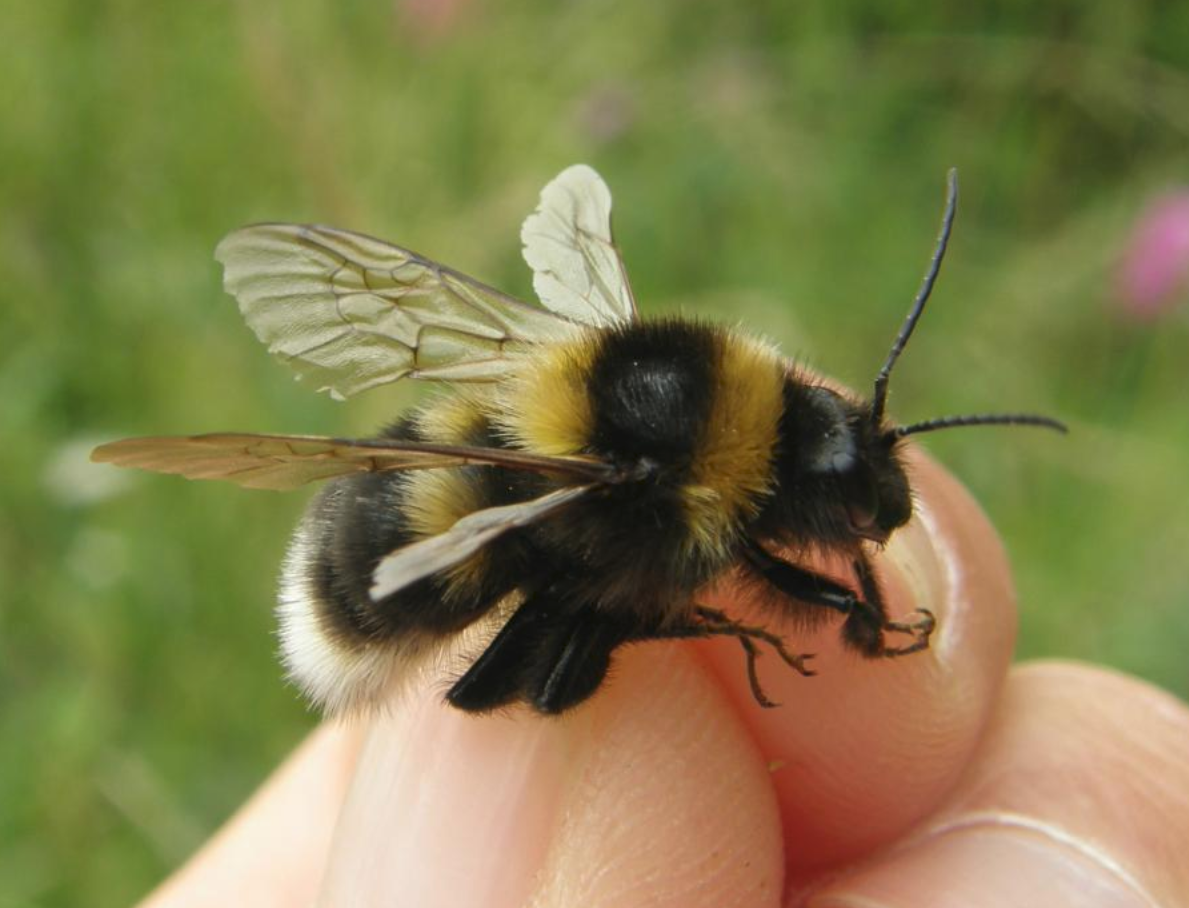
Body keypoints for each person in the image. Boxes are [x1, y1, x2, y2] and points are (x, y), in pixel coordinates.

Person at [139, 450, 1189, 907]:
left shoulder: (696, 448)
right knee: (570, 643)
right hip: (389, 568)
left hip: (426, 504)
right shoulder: (673, 481)